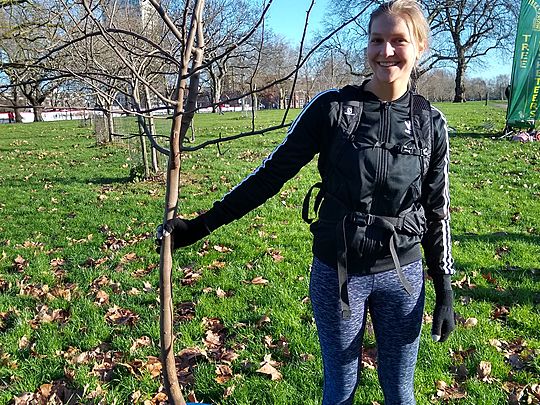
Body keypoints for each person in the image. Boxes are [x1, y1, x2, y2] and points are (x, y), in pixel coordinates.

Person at [157, 1, 455, 403]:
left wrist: (444, 284)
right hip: (337, 271)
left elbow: (438, 210)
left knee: (400, 393)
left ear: (419, 47)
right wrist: (201, 226)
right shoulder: (333, 109)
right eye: (377, 40)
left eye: (398, 41)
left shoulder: (430, 123)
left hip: (401, 277)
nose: (385, 52)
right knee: (339, 389)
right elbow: (271, 175)